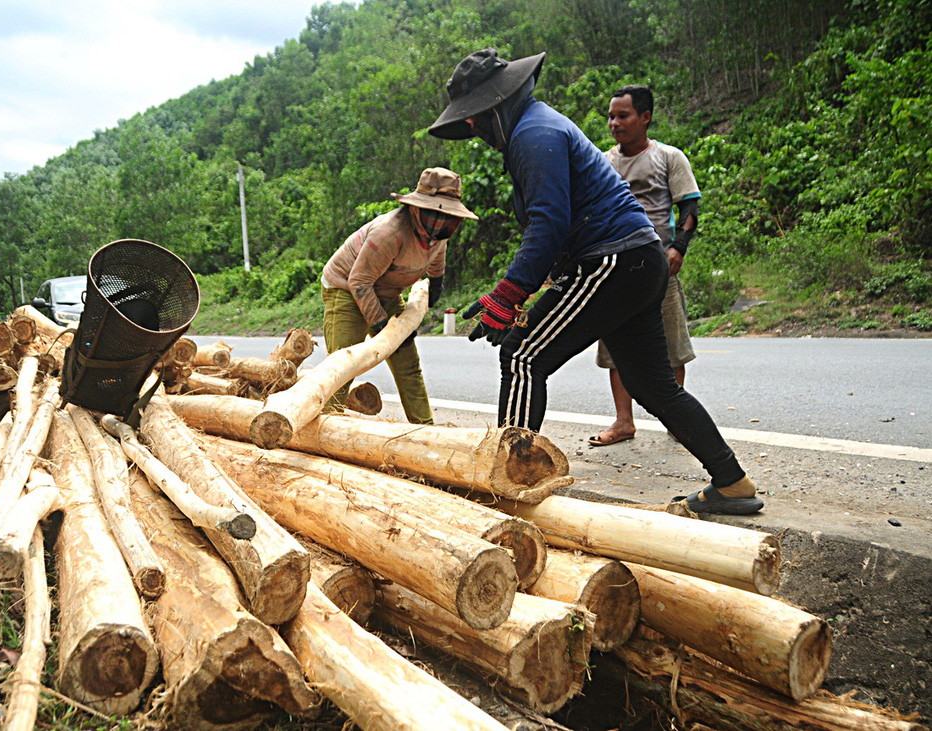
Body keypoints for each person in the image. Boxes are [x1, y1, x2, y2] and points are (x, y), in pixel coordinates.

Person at [428, 49, 761, 514]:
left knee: (523, 355)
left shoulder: (533, 134)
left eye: (476, 122)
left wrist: (508, 294)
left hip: (613, 261)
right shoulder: (538, 127)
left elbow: (547, 223)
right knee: (653, 386)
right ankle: (732, 483)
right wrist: (525, 288)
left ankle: (511, 491)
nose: (476, 133)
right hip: (637, 261)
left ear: (494, 108)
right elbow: (555, 227)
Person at [320, 167, 478, 425]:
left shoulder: (438, 235)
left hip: (386, 292)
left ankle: (425, 430)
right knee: (341, 367)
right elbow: (359, 281)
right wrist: (382, 325)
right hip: (346, 289)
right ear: (417, 208)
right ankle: (324, 434)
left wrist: (436, 284)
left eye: (445, 215)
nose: (439, 220)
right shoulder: (390, 233)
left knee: (408, 364)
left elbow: (436, 260)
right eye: (434, 213)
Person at [589, 85, 700, 447]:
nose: (614, 123)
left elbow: (689, 208)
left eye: (623, 116)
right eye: (611, 116)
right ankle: (624, 422)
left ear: (646, 117)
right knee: (616, 347)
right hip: (615, 268)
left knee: (670, 345)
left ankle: (677, 420)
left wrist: (678, 248)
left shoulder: (668, 157)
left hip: (658, 266)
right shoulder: (604, 163)